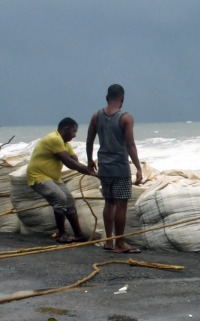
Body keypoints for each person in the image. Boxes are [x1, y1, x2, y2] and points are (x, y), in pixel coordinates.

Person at [87, 83, 143, 253]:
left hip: (104, 166)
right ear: (122, 100)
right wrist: (139, 168)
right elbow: (130, 144)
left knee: (109, 202)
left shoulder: (97, 116)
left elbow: (89, 140)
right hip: (120, 167)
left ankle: (109, 241)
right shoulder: (126, 118)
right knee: (121, 205)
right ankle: (120, 243)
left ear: (107, 97)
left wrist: (90, 160)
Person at [26, 117, 97, 244]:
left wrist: (91, 171)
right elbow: (68, 162)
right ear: (66, 129)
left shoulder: (65, 143)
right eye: (74, 131)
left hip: (53, 178)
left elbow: (74, 161)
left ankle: (79, 234)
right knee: (60, 199)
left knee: (69, 199)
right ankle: (62, 234)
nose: (75, 135)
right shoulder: (54, 139)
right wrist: (89, 171)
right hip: (38, 176)